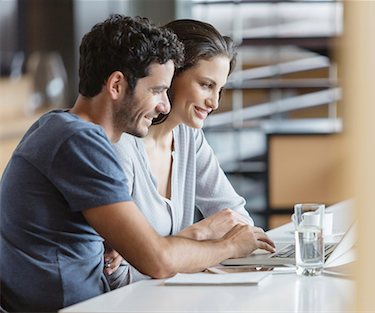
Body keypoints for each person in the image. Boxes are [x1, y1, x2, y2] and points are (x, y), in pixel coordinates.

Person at [0, 15, 274, 312]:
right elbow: (156, 260)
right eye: (157, 91)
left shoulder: (64, 129)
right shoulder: (79, 143)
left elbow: (140, 258)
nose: (164, 106)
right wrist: (230, 246)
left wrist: (152, 248)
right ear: (117, 84)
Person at [105, 19, 258, 289]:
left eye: (219, 89)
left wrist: (175, 250)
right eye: (206, 85)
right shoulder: (121, 145)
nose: (215, 102)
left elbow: (238, 220)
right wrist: (197, 237)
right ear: (171, 75)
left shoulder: (188, 136)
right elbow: (115, 275)